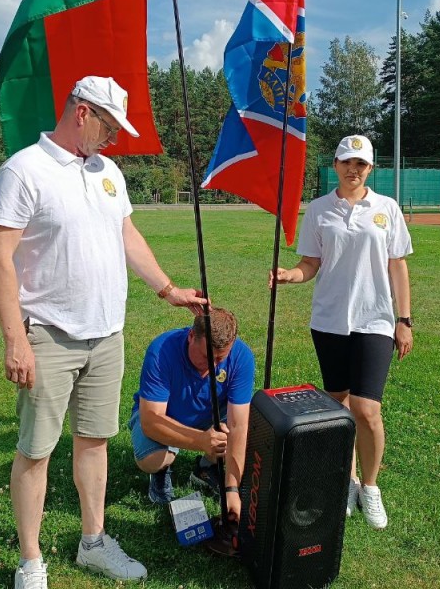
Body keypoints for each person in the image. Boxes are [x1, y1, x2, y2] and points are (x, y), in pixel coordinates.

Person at [0, 75, 206, 589]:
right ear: (82, 112)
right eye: (109, 126)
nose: (114, 138)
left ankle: (94, 542)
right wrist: (15, 339)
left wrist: (168, 289)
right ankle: (31, 561)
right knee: (36, 450)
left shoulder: (108, 172)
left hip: (107, 335)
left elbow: (127, 234)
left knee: (94, 442)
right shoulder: (23, 170)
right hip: (48, 335)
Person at [272, 134, 413, 531]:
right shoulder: (319, 209)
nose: (353, 169)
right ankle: (347, 480)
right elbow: (311, 263)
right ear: (335, 164)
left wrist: (404, 319)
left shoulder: (386, 208)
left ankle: (371, 486)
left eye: (361, 164)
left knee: (367, 410)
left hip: (375, 320)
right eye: (347, 162)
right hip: (330, 321)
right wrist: (291, 275)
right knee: (338, 405)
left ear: (371, 168)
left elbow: (398, 265)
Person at [128, 307, 255, 522]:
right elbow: (150, 420)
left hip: (212, 418)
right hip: (164, 417)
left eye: (220, 359)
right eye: (206, 356)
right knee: (153, 458)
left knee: (252, 440)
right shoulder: (161, 350)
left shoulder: (242, 357)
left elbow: (238, 425)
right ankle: (161, 470)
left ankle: (206, 468)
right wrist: (201, 441)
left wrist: (232, 489)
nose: (212, 366)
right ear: (191, 336)